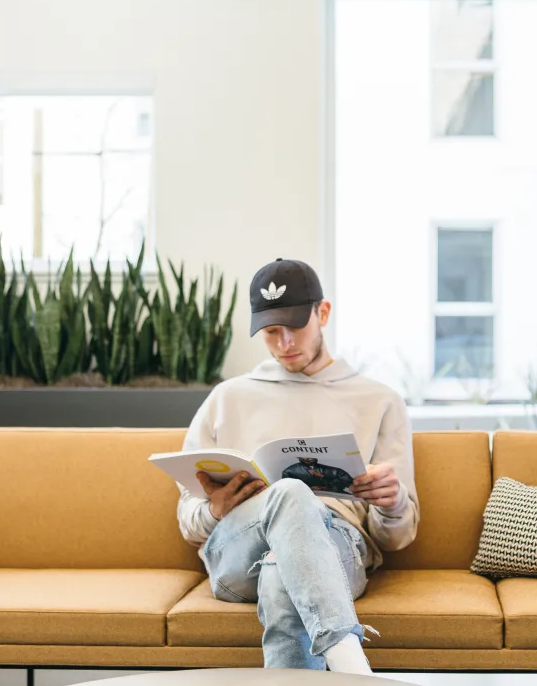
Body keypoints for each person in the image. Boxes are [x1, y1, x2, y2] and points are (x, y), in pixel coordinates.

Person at [177, 258, 419, 674]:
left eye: (295, 326)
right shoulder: (227, 397)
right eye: (271, 331)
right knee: (290, 492)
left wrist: (392, 503)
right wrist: (214, 509)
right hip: (236, 550)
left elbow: (396, 537)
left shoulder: (379, 400)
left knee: (280, 572)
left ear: (322, 313)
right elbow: (187, 519)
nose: (285, 342)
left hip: (338, 546)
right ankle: (349, 661)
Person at [282, 457, 356, 494]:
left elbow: (349, 485)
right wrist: (309, 488)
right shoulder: (289, 471)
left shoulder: (335, 471)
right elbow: (288, 492)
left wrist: (323, 477)